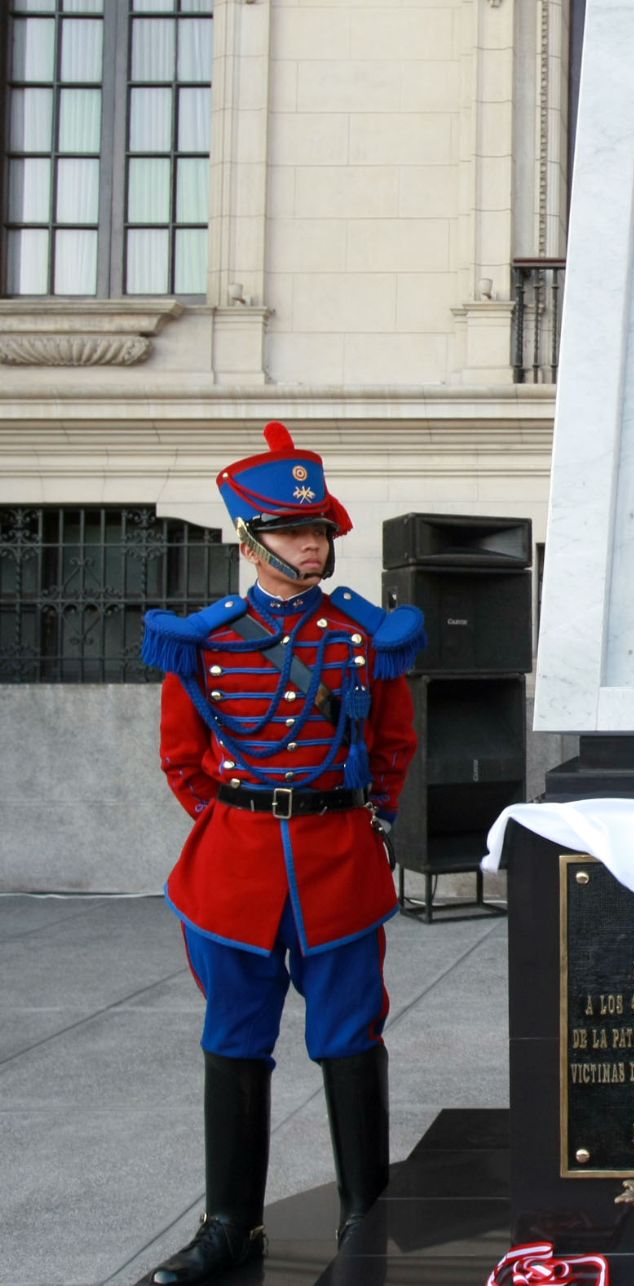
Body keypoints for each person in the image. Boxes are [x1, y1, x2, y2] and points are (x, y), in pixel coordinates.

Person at [141, 423, 424, 1282]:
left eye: (323, 531)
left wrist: (351, 815)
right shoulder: (206, 639)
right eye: (299, 533)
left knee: (347, 1038)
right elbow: (182, 758)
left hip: (337, 861)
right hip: (235, 869)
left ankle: (361, 1222)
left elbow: (394, 747)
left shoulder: (366, 636)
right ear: (250, 541)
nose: (316, 543)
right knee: (234, 1038)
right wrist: (241, 816)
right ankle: (230, 1227)